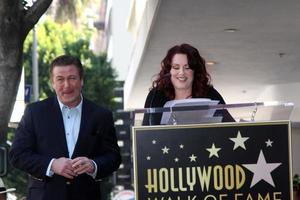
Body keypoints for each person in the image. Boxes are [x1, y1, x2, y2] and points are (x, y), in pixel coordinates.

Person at [9, 55, 121, 200]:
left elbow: (114, 157)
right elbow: (17, 154)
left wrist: (93, 165)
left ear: (81, 81)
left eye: (72, 78)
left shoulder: (101, 115)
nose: (66, 85)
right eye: (60, 79)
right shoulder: (34, 113)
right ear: (53, 83)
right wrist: (52, 165)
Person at [143, 43, 234, 125]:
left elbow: (229, 127)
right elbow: (145, 131)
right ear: (168, 71)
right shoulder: (156, 95)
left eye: (187, 68)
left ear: (195, 71)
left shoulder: (210, 94)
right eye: (176, 67)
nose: (181, 72)